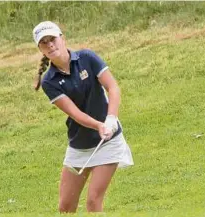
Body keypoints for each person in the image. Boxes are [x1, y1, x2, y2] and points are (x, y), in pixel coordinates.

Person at [32, 21, 134, 213]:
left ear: (63, 39)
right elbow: (75, 114)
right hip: (79, 144)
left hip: (109, 142)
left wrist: (111, 119)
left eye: (52, 39)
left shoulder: (87, 57)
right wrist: (99, 125)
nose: (50, 45)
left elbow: (112, 87)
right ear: (40, 49)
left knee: (93, 202)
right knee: (65, 207)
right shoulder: (49, 81)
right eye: (44, 43)